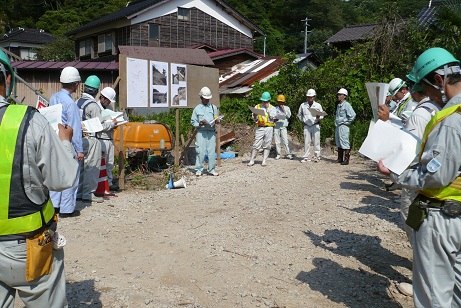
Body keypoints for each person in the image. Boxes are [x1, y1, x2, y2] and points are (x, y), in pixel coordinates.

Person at [377, 47, 461, 307]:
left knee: (434, 295)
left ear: (439, 80)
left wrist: (396, 172)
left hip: (442, 216)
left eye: (428, 90)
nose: (429, 97)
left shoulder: (450, 120)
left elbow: (436, 176)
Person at [0, 50, 78, 307]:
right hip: (28, 246)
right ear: (8, 80)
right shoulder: (28, 120)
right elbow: (62, 178)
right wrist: (65, 143)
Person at [378, 73, 441, 297]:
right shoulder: (440, 108)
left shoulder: (419, 114)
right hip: (436, 181)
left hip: (418, 179)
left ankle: (422, 282)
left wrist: (395, 173)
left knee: (415, 227)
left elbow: (410, 151)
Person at [49, 67, 84, 217]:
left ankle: (54, 206)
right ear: (76, 84)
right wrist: (79, 150)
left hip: (54, 140)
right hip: (67, 142)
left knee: (55, 173)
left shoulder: (53, 97)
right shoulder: (71, 104)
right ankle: (67, 209)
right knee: (71, 175)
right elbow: (74, 129)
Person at [76, 75, 105, 203]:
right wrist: (112, 123)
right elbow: (99, 126)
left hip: (77, 139)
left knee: (80, 167)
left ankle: (78, 193)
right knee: (91, 166)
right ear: (97, 91)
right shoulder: (93, 106)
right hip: (91, 139)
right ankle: (88, 193)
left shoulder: (77, 102)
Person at [191, 86, 220, 176]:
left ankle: (211, 169)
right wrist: (199, 124)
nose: (207, 100)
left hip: (211, 132)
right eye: (205, 99)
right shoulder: (197, 109)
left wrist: (217, 121)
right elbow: (193, 121)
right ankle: (199, 169)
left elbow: (216, 117)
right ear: (201, 98)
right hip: (201, 132)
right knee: (200, 151)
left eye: (208, 99)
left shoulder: (213, 107)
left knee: (211, 152)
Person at [98, 87, 119, 191]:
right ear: (102, 97)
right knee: (101, 163)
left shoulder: (109, 107)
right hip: (101, 138)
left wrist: (115, 124)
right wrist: (111, 124)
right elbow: (100, 125)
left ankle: (109, 183)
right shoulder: (96, 108)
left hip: (110, 138)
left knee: (110, 163)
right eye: (108, 100)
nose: (109, 103)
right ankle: (101, 185)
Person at [248, 91, 277, 166]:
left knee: (267, 144)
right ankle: (252, 160)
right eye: (263, 101)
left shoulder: (272, 108)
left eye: (265, 101)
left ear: (268, 101)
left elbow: (273, 117)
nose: (263, 102)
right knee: (256, 143)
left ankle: (264, 160)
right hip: (260, 127)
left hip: (269, 128)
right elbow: (254, 119)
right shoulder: (257, 106)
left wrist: (268, 109)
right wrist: (254, 115)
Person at [297, 89, 324, 162]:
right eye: (308, 97)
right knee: (306, 141)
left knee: (316, 141)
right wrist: (303, 120)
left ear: (314, 97)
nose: (310, 98)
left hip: (315, 124)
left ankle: (317, 157)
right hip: (306, 125)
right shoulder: (303, 105)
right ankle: (306, 157)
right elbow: (299, 114)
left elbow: (322, 115)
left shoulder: (318, 105)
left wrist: (319, 116)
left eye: (311, 97)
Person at [335, 88, 356, 165]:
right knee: (338, 141)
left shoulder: (347, 105)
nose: (339, 96)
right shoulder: (339, 105)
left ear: (345, 96)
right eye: (338, 94)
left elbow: (353, 115)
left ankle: (346, 160)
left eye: (340, 95)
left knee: (344, 141)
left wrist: (347, 122)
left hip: (343, 126)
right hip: (338, 125)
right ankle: (340, 158)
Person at [273, 94, 293, 160]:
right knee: (277, 141)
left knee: (285, 140)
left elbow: (289, 116)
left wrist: (284, 110)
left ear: (284, 102)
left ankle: (288, 154)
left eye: (281, 102)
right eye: (279, 102)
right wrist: (275, 119)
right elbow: (272, 117)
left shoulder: (287, 108)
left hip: (283, 126)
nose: (280, 103)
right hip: (276, 126)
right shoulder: (275, 108)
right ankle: (278, 154)